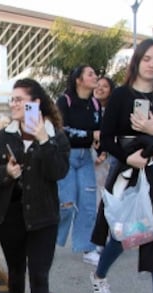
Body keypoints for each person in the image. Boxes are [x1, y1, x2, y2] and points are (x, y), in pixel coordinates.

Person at [91, 38, 153, 293]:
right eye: (147, 59)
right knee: (125, 234)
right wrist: (129, 157)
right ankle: (100, 275)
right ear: (137, 61)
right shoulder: (120, 96)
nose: (152, 64)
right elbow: (105, 139)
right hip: (127, 173)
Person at [0, 78, 71, 293]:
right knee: (16, 270)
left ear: (36, 103)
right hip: (11, 215)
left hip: (43, 217)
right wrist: (6, 174)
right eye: (13, 99)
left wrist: (44, 141)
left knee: (40, 276)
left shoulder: (56, 136)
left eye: (20, 99)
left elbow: (58, 171)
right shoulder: (3, 136)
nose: (14, 104)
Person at [55, 65, 102, 266]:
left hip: (86, 158)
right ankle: (50, 239)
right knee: (66, 203)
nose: (95, 77)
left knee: (88, 204)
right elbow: (62, 130)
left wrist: (101, 148)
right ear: (79, 80)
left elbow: (100, 130)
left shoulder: (95, 103)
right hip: (66, 156)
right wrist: (91, 135)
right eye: (90, 74)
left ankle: (87, 247)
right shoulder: (64, 101)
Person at [93, 76, 117, 201]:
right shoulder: (87, 108)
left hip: (107, 158)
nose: (100, 88)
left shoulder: (114, 111)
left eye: (105, 86)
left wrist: (104, 152)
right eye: (97, 85)